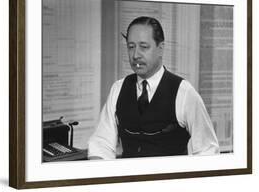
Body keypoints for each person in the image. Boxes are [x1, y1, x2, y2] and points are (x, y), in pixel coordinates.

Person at [88, 16, 219, 160]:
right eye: (131, 47)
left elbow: (207, 151)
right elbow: (101, 143)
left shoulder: (184, 92)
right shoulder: (118, 89)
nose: (136, 55)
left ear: (160, 48)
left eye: (144, 47)